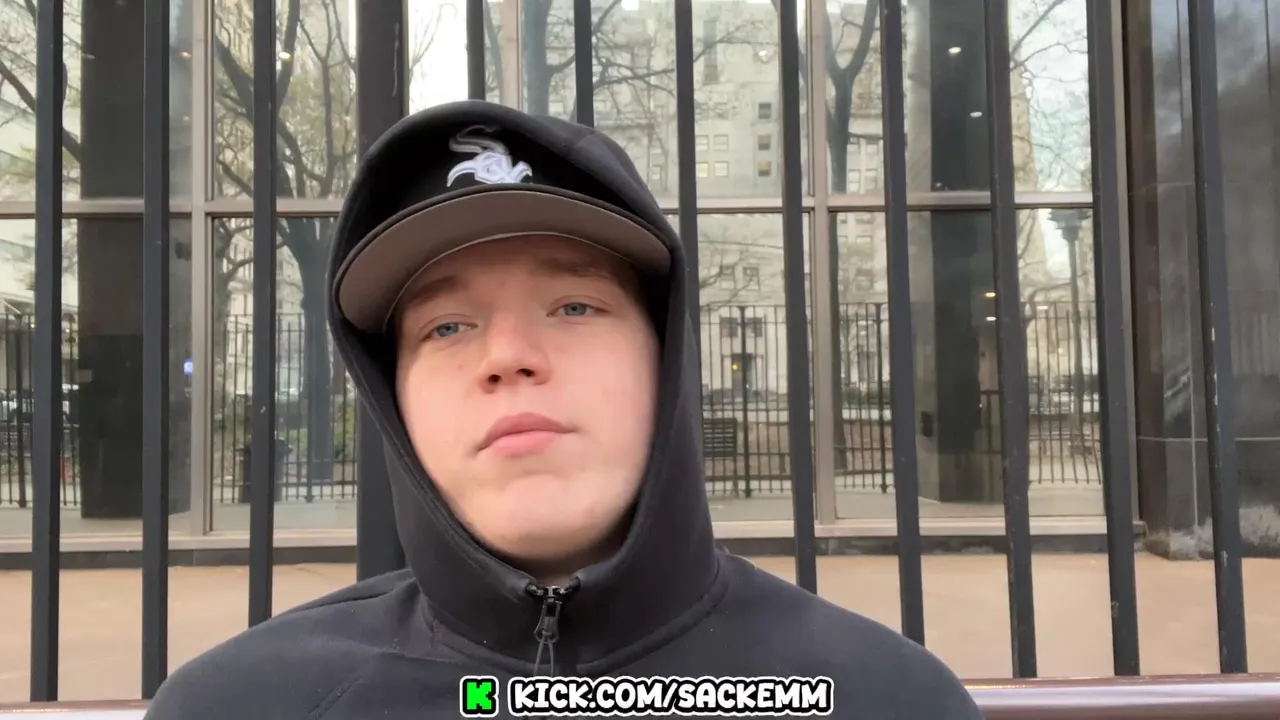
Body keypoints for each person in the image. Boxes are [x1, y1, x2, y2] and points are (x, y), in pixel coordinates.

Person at [145, 100, 982, 719]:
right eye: (446, 326)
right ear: (392, 392)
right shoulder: (240, 706)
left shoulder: (888, 700)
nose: (508, 355)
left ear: (665, 355)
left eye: (575, 306)